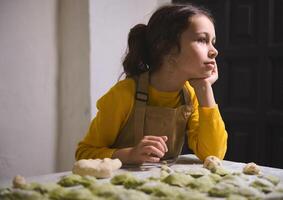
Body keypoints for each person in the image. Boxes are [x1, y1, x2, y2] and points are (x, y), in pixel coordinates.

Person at [75, 3, 228, 164]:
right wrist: (129, 155)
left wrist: (204, 88)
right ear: (167, 48)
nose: (214, 51)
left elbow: (214, 155)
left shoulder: (190, 94)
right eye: (202, 40)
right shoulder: (123, 94)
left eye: (213, 42)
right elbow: (84, 153)